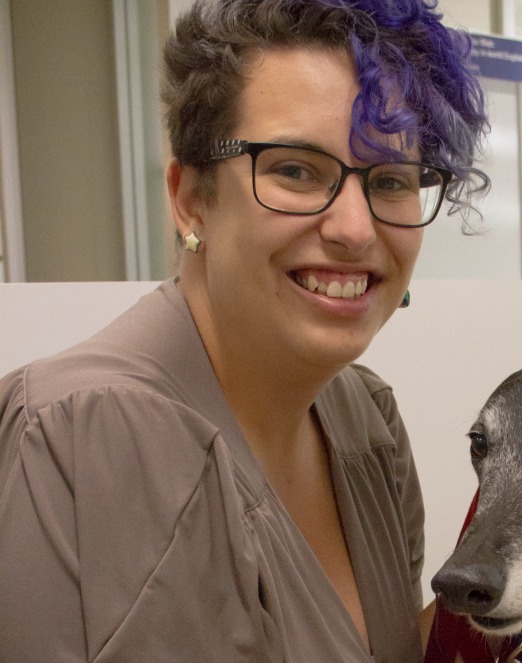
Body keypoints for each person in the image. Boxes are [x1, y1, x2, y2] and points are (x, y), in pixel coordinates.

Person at [0, 0, 488, 660]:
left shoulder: (365, 420)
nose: (354, 228)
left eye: (391, 180)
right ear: (189, 197)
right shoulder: (87, 434)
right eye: (294, 169)